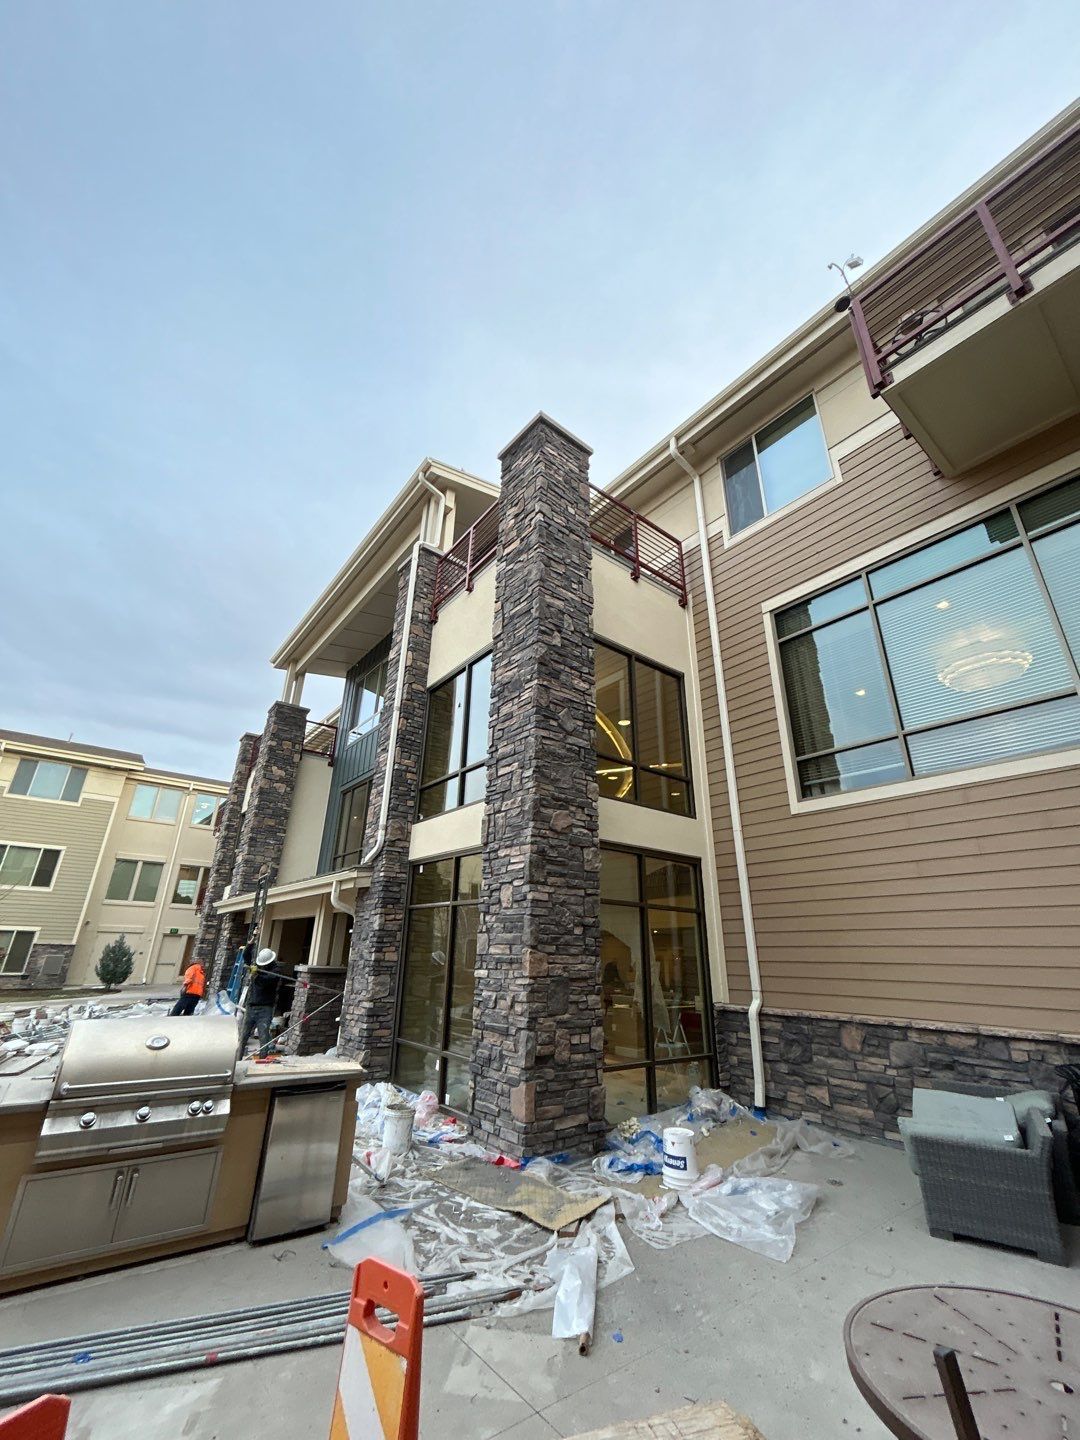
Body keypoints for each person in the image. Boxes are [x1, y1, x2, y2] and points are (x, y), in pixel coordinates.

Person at [239, 948, 284, 1057]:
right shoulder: (258, 967)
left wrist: (256, 975)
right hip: (251, 1006)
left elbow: (267, 980)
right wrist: (250, 945)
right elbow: (246, 957)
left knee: (263, 1036)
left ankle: (262, 1059)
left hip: (265, 1008)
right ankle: (238, 1058)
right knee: (243, 1035)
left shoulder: (276, 971)